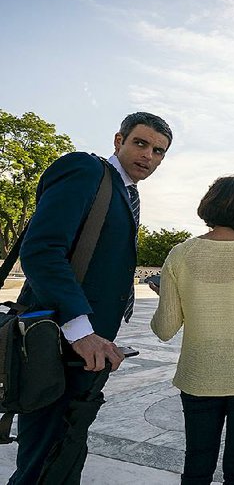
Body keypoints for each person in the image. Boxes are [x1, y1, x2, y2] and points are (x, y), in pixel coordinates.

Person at [9, 112, 172, 484]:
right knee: (44, 454)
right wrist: (80, 329)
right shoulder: (85, 170)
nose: (148, 156)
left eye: (158, 151)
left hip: (89, 345)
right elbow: (42, 250)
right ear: (119, 141)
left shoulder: (124, 192)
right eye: (140, 143)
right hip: (57, 338)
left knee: (67, 447)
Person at [151, 176, 234, 484]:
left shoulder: (179, 254)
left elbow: (165, 328)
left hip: (199, 373)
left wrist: (171, 299)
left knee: (197, 466)